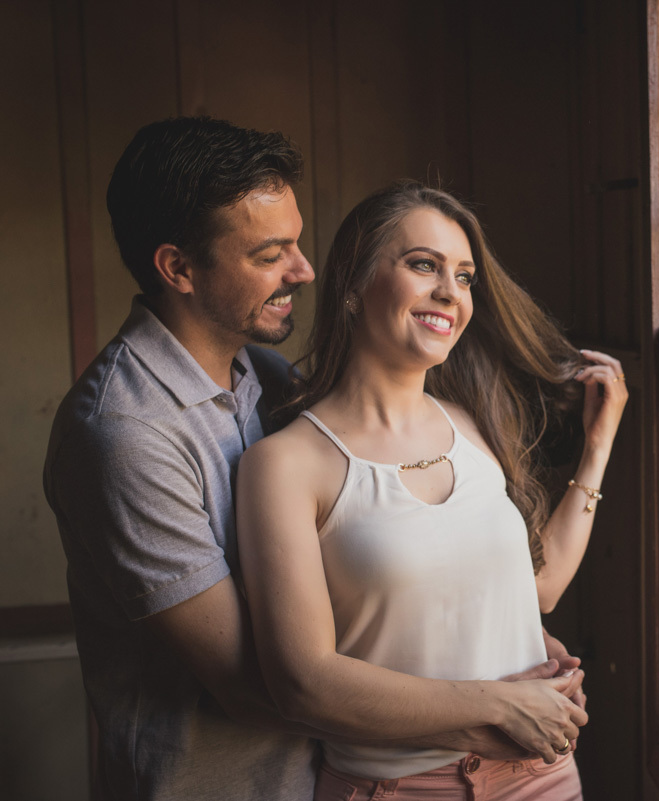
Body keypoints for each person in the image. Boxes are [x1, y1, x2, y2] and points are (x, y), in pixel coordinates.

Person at [43, 117, 584, 801]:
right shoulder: (125, 435)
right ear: (178, 268)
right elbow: (261, 684)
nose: (304, 270)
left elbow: (369, 565)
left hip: (330, 770)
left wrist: (508, 637)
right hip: (221, 784)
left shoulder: (268, 377)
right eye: (271, 254)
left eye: (297, 244)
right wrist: (493, 704)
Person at [235, 181, 628, 800]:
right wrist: (501, 705)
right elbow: (302, 684)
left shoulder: (470, 425)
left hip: (543, 776)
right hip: (396, 788)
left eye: (465, 276)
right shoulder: (284, 465)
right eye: (424, 265)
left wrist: (598, 447)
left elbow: (540, 590)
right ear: (353, 284)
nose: (451, 291)